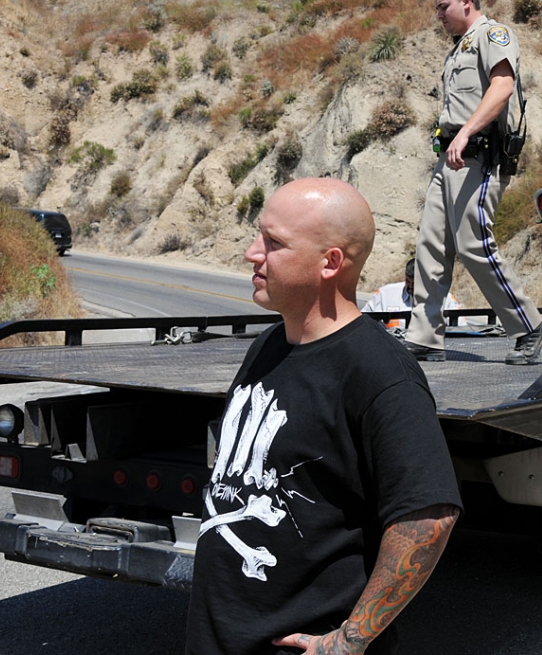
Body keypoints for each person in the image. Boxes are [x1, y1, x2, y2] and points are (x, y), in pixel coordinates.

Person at [186, 178, 462, 655]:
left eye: (273, 243)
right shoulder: (270, 345)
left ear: (329, 262)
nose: (253, 253)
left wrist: (349, 641)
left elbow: (429, 517)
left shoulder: (379, 372)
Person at [404, 0, 542, 365]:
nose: (439, 16)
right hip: (452, 154)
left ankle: (529, 326)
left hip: (479, 154)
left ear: (466, 0)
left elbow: (502, 87)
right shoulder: (457, 50)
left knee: (474, 245)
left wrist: (466, 133)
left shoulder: (493, 35)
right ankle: (424, 335)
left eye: (443, 7)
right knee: (431, 247)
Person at [361, 258, 463, 331]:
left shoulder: (445, 299)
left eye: (415, 283)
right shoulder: (385, 294)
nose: (409, 286)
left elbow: (461, 329)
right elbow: (362, 321)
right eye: (407, 281)